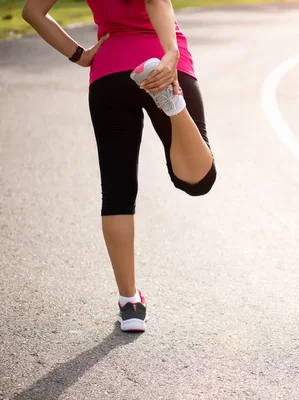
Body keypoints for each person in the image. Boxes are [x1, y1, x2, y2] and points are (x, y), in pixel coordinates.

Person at [22, 0, 217, 332]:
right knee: (198, 181)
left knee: (117, 191)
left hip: (109, 70)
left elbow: (32, 12)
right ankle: (174, 105)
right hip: (160, 61)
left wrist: (79, 54)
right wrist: (170, 55)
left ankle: (130, 304)